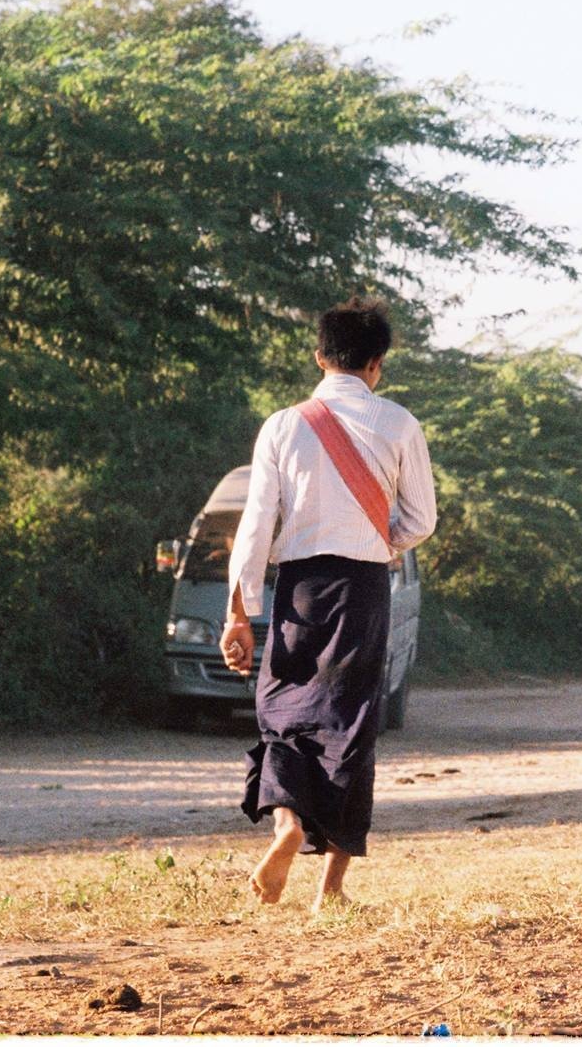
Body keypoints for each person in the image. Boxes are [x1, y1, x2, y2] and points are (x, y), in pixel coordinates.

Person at [223, 297, 437, 910]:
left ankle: (287, 824)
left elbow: (256, 525)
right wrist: (379, 539)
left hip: (299, 589)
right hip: (366, 588)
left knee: (285, 713)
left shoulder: (283, 425)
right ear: (377, 364)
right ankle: (331, 889)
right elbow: (420, 519)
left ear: (319, 358)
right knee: (351, 724)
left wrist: (240, 611)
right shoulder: (398, 423)